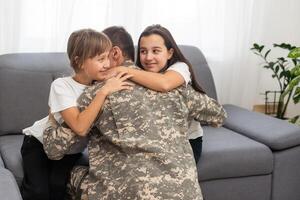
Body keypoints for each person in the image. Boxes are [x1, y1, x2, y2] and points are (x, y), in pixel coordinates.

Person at [43, 26, 227, 200]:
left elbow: (54, 148)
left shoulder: (96, 94)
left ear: (115, 53)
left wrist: (52, 119)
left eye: (102, 56)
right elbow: (219, 114)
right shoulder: (175, 86)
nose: (104, 63)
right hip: (185, 193)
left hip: (127, 192)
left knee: (68, 174)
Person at [20, 28, 132, 200]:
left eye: (108, 57)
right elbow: (80, 127)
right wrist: (104, 92)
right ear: (79, 62)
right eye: (100, 59)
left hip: (71, 151)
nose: (107, 64)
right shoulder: (61, 85)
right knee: (39, 191)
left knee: (58, 187)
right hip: (39, 144)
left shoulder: (103, 83)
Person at [111, 24, 204, 163]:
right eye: (143, 51)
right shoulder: (139, 73)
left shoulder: (180, 68)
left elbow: (164, 83)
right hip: (154, 141)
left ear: (170, 53)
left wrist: (119, 69)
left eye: (155, 51)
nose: (148, 57)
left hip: (185, 142)